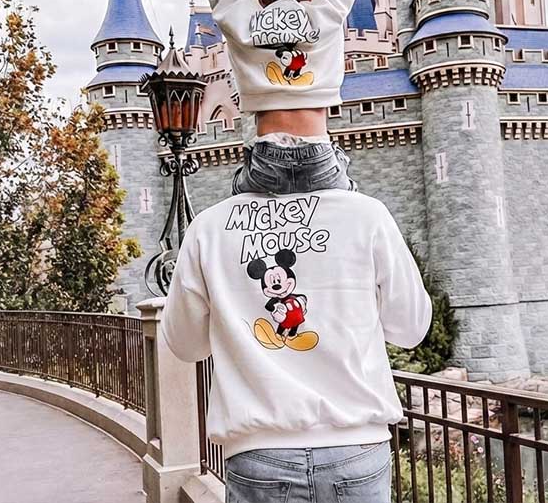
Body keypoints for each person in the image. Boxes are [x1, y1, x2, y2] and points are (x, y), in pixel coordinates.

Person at [161, 188, 432, 501]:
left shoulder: (208, 227)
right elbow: (411, 328)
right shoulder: (367, 215)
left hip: (258, 452)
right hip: (355, 446)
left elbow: (185, 344)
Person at [209, 0, 358, 196]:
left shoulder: (244, 21)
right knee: (350, 196)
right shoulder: (326, 14)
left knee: (239, 190)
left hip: (266, 159)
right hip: (319, 155)